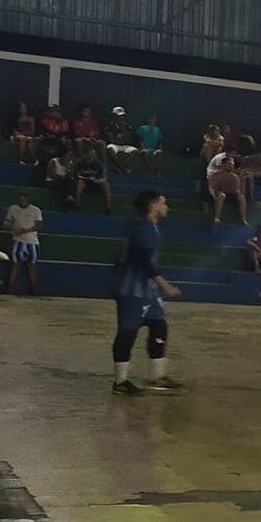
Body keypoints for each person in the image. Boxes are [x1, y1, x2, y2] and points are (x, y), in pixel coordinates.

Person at [108, 190, 182, 396]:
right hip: (132, 290)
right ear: (153, 205)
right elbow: (142, 258)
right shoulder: (143, 228)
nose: (166, 207)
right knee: (127, 333)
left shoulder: (148, 227)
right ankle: (120, 382)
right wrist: (163, 283)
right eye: (163, 203)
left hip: (146, 291)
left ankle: (156, 378)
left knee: (159, 326)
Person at [2, 191, 42, 296]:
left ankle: (33, 288)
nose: (21, 202)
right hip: (18, 239)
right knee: (15, 264)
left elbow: (39, 225)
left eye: (23, 200)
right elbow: (7, 222)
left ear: (27, 200)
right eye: (20, 200)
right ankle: (9, 288)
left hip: (31, 240)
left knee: (31, 264)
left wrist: (27, 230)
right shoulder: (13, 209)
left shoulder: (35, 210)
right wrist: (12, 227)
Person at [72, 140, 112, 212]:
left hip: (95, 182)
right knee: (80, 183)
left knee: (106, 185)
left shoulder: (98, 164)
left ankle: (108, 207)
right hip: (84, 181)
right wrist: (85, 178)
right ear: (85, 155)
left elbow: (104, 178)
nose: (93, 155)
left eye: (93, 153)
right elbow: (75, 176)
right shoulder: (79, 163)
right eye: (91, 153)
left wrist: (96, 180)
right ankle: (77, 204)